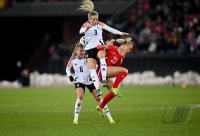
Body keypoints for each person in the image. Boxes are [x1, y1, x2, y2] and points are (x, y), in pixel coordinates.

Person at [78, 0, 129, 96]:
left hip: (99, 46)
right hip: (89, 48)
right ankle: (97, 89)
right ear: (89, 19)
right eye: (93, 19)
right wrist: (87, 28)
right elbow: (80, 31)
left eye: (96, 19)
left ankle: (104, 79)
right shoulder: (86, 24)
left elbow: (110, 29)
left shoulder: (100, 24)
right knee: (92, 68)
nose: (95, 21)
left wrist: (120, 33)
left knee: (102, 57)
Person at [66, 41, 115, 124]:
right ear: (76, 51)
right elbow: (67, 69)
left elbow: (95, 66)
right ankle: (75, 119)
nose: (82, 52)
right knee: (80, 97)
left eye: (83, 51)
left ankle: (110, 118)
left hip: (90, 81)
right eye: (80, 51)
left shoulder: (88, 59)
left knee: (99, 99)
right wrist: (70, 75)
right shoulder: (72, 60)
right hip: (79, 81)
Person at [95, 37, 134, 116]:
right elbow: (98, 47)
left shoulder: (122, 56)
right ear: (125, 45)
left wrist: (120, 56)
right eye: (129, 48)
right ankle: (115, 88)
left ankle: (100, 107)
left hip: (106, 75)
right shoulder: (113, 48)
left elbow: (115, 68)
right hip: (101, 71)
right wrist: (105, 46)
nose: (129, 51)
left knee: (113, 94)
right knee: (125, 70)